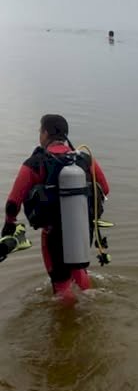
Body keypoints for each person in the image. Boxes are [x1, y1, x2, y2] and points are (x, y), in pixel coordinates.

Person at [2, 114, 109, 299]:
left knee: (61, 284)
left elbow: (13, 202)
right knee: (79, 271)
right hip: (82, 230)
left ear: (45, 133)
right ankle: (88, 304)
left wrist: (9, 225)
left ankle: (70, 322)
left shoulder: (35, 163)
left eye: (40, 131)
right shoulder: (84, 159)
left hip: (52, 235)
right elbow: (105, 189)